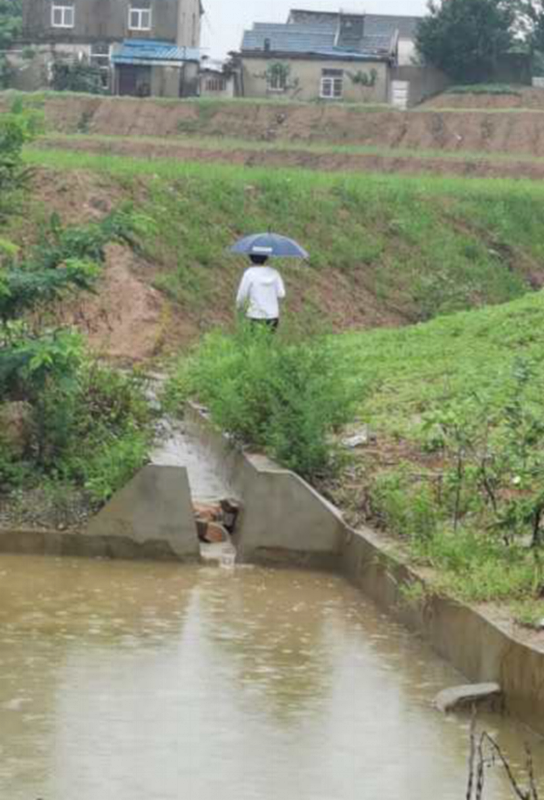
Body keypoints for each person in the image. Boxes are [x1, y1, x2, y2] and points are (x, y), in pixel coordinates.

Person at [235, 254, 286, 330]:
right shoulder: (274, 273)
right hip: (272, 316)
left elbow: (242, 295)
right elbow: (281, 294)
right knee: (269, 337)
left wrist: (239, 307)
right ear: (266, 257)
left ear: (250, 257)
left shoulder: (249, 273)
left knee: (255, 337)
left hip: (255, 315)